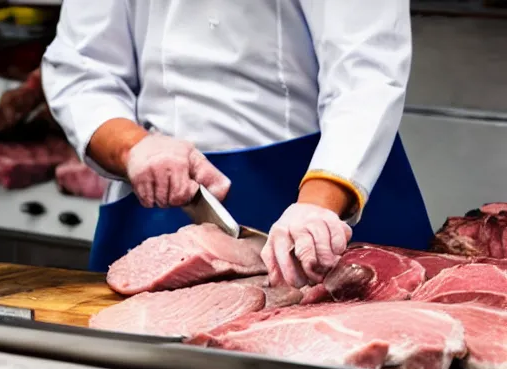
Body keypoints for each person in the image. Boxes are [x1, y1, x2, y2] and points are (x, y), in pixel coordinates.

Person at [41, 1, 433, 287]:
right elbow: (82, 67)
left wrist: (320, 204)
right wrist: (134, 147)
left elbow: (366, 73)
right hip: (163, 206)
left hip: (322, 192)